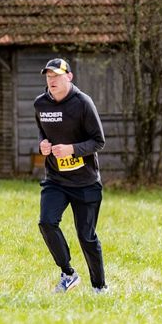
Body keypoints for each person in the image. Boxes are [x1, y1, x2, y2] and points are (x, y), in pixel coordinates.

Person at [34, 58, 108, 294]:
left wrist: (72, 149)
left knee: (86, 237)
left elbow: (99, 141)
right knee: (46, 222)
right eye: (48, 76)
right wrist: (43, 146)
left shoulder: (83, 103)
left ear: (69, 76)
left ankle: (99, 287)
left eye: (56, 76)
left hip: (85, 183)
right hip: (56, 179)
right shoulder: (40, 104)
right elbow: (43, 135)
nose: (52, 80)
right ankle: (68, 273)